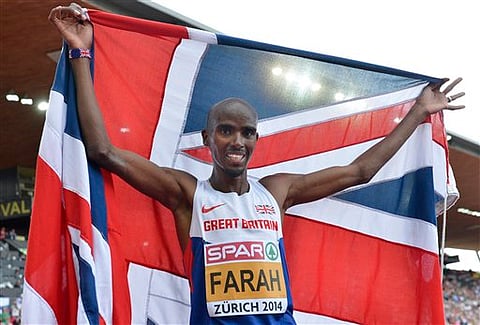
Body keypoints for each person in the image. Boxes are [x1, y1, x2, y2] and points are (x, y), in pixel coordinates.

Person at [48, 3, 465, 324]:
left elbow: (360, 172)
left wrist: (418, 113)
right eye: (226, 130)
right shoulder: (188, 194)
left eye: (247, 132)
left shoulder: (276, 191)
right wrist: (81, 56)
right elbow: (104, 152)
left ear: (255, 140)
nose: (237, 140)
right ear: (208, 139)